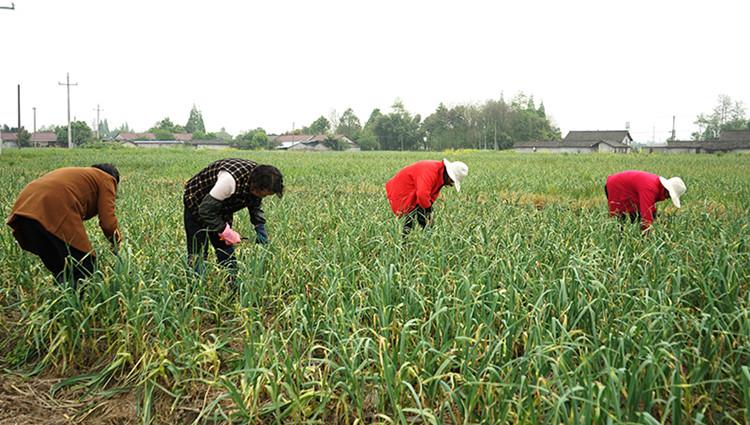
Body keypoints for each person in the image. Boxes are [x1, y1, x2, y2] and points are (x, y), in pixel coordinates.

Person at [6, 164, 122, 289]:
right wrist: (117, 243)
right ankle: (80, 305)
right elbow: (108, 222)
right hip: (52, 208)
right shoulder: (106, 179)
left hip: (24, 208)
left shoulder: (82, 175)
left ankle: (62, 301)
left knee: (61, 265)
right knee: (85, 264)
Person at [183, 158, 283, 281]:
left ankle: (231, 283)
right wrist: (226, 231)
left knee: (225, 247)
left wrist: (259, 226)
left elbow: (255, 202)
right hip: (197, 201)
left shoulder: (261, 178)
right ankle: (196, 285)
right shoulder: (229, 181)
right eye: (264, 194)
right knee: (197, 248)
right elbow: (205, 210)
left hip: (222, 206)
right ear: (255, 187)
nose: (264, 197)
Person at [385, 158, 468, 235]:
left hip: (414, 192)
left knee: (420, 217)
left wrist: (428, 208)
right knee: (411, 216)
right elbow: (422, 194)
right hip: (403, 188)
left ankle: (421, 237)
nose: (451, 184)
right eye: (452, 181)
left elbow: (430, 194)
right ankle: (406, 243)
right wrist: (428, 209)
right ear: (449, 176)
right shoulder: (431, 172)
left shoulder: (440, 175)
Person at [604, 170, 686, 230]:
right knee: (619, 219)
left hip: (628, 189)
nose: (667, 198)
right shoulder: (650, 188)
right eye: (669, 196)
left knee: (637, 216)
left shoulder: (657, 185)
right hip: (615, 186)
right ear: (666, 190)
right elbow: (646, 213)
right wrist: (646, 238)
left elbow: (650, 208)